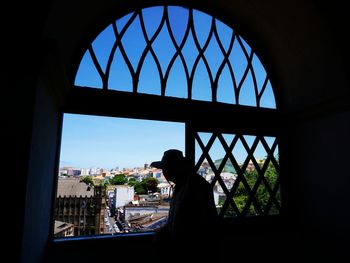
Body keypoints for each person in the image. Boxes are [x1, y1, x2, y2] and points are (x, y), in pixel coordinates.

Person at [150, 149, 219, 248]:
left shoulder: (193, 185)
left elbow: (187, 222)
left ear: (175, 169)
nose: (164, 173)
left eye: (166, 168)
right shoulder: (183, 184)